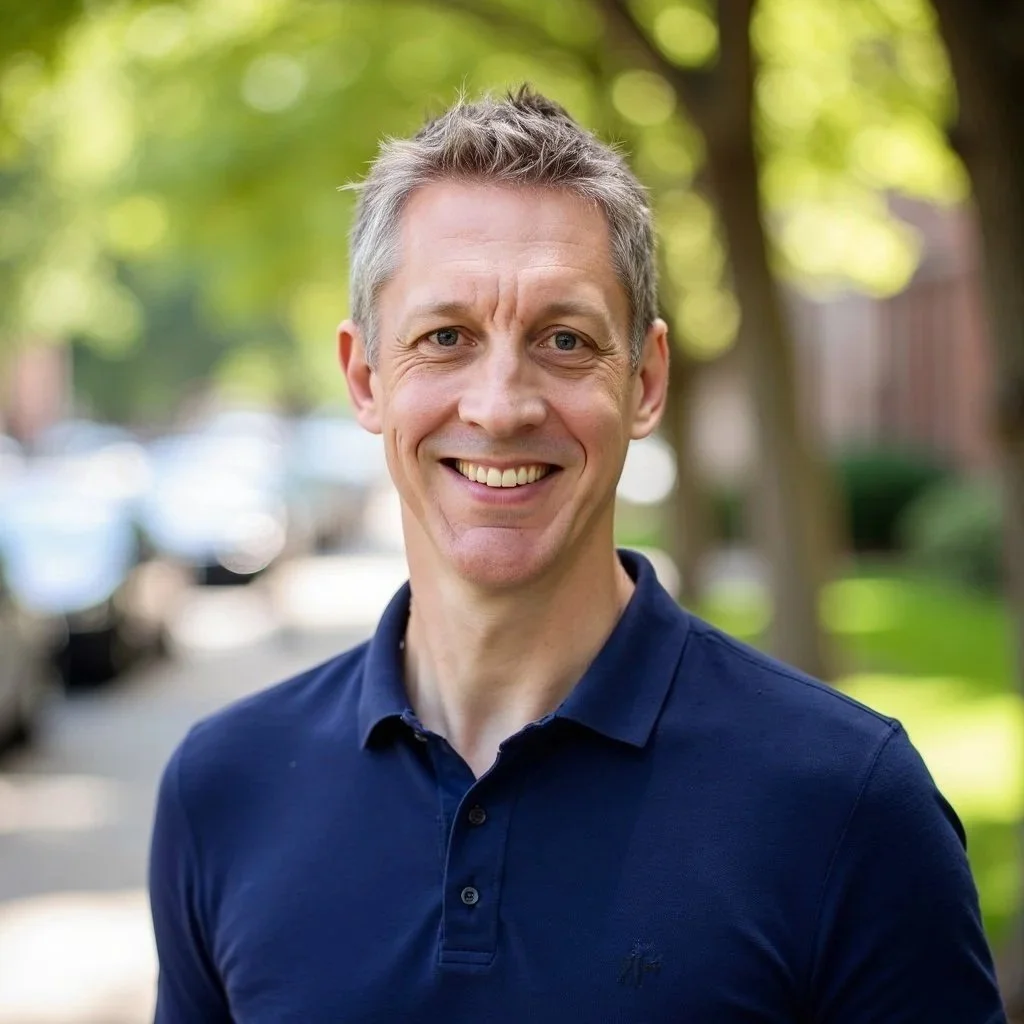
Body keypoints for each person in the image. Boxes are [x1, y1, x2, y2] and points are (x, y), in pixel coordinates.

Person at [148, 87, 1007, 1023]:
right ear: (366, 378)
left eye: (564, 340)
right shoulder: (222, 790)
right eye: (446, 338)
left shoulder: (849, 805)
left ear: (644, 382)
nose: (502, 404)